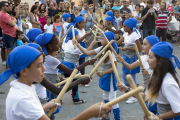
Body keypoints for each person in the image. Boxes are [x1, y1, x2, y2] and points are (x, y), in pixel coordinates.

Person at [117, 42, 180, 120]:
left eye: (150, 57)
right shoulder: (156, 76)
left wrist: (157, 117)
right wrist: (127, 89)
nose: (147, 60)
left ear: (159, 61)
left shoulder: (168, 83)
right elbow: (148, 98)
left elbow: (177, 110)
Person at [0, 46, 59, 120]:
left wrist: (43, 108)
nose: (44, 69)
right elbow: (26, 104)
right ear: (24, 71)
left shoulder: (22, 88)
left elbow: (26, 113)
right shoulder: (23, 99)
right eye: (39, 66)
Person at [72, 31, 120, 120]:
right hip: (105, 76)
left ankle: (117, 118)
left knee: (112, 98)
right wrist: (77, 44)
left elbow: (115, 68)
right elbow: (87, 53)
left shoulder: (112, 52)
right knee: (105, 97)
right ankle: (107, 116)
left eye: (102, 39)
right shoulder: (102, 48)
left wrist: (103, 73)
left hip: (111, 76)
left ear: (108, 40)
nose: (100, 40)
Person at [116, 35, 160, 114]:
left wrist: (149, 74)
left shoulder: (157, 60)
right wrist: (122, 61)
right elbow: (130, 67)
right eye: (142, 43)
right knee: (147, 112)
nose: (142, 46)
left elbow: (161, 76)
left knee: (155, 111)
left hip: (156, 91)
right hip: (147, 90)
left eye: (145, 44)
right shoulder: (142, 58)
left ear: (153, 46)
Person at [115, 18, 141, 104]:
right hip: (126, 56)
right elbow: (118, 42)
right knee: (124, 74)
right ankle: (129, 93)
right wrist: (109, 43)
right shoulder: (125, 34)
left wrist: (127, 48)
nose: (123, 27)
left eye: (125, 26)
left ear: (130, 27)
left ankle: (134, 96)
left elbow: (139, 49)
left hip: (133, 57)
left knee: (131, 77)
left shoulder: (135, 35)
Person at [0, 1, 16, 69]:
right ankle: (8, 69)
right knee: (9, 52)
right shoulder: (2, 15)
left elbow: (15, 20)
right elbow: (12, 23)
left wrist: (13, 21)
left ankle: (9, 68)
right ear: (2, 7)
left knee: (10, 51)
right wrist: (12, 22)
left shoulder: (6, 14)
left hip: (11, 34)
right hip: (8, 35)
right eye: (6, 6)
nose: (8, 7)